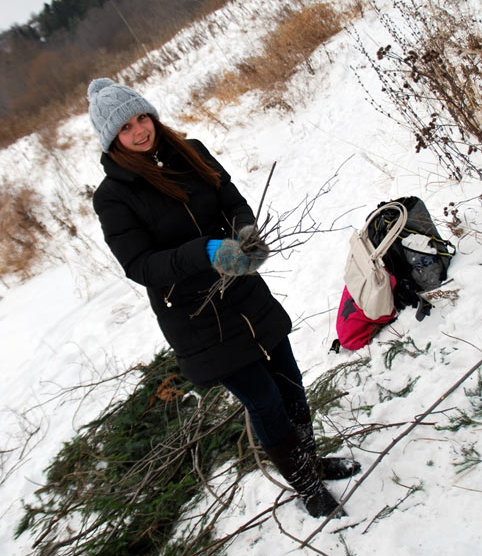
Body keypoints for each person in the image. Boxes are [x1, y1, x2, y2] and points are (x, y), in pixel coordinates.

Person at [89, 78, 360, 518]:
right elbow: (140, 266)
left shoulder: (191, 152)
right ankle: (307, 486)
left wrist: (243, 234)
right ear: (112, 139)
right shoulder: (113, 197)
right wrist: (206, 251)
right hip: (198, 318)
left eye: (142, 117)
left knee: (290, 382)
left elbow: (232, 201)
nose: (140, 131)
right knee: (264, 399)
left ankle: (310, 461)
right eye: (125, 127)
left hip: (245, 291)